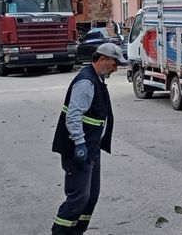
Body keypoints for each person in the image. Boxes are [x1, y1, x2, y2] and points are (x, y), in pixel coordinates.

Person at [51, 43, 127, 235]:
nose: (116, 68)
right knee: (79, 197)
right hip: (79, 149)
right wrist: (79, 143)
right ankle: (60, 232)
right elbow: (73, 115)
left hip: (91, 148)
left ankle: (77, 232)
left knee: (91, 197)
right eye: (114, 63)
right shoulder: (86, 82)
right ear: (102, 59)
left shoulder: (98, 79)